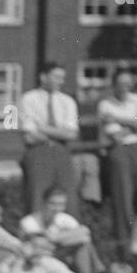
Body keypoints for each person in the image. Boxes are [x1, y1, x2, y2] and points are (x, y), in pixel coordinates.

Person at [97, 68, 137, 241]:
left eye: (128, 83)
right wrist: (136, 124)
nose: (124, 87)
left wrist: (119, 120)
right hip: (119, 151)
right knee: (123, 198)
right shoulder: (105, 104)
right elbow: (116, 136)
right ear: (113, 84)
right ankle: (126, 243)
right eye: (120, 83)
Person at [19, 61, 81, 217]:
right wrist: (60, 132)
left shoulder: (68, 101)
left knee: (68, 197)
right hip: (37, 152)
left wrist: (44, 128)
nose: (61, 81)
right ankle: (36, 236)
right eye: (57, 77)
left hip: (62, 151)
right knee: (37, 195)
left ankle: (69, 234)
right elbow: (30, 135)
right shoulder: (28, 99)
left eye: (62, 78)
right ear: (43, 77)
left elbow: (72, 134)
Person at [19, 188, 103, 273]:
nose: (57, 208)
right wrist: (66, 238)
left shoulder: (64, 218)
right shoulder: (29, 221)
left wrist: (54, 238)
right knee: (84, 245)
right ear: (43, 202)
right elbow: (39, 245)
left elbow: (85, 233)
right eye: (52, 204)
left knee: (85, 245)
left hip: (60, 255)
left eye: (61, 205)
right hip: (38, 259)